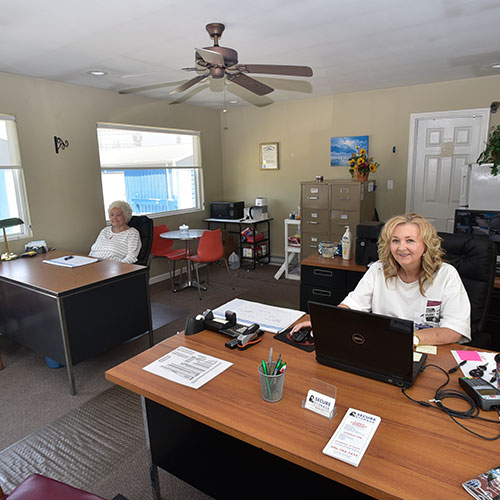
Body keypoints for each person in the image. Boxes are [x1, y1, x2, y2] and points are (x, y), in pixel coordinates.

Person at [292, 212, 471, 345]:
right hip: (383, 347)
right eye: (395, 241)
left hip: (426, 351)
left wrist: (409, 340)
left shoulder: (446, 275)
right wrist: (324, 323)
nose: (402, 248)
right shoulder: (379, 269)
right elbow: (352, 305)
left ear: (426, 245)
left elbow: (454, 330)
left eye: (410, 241)